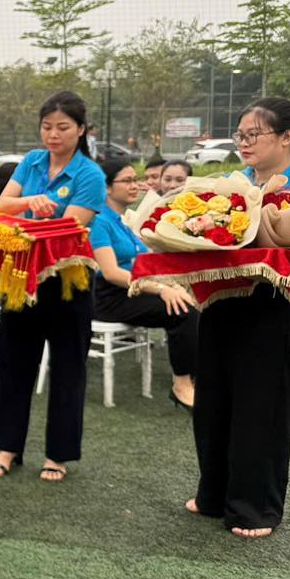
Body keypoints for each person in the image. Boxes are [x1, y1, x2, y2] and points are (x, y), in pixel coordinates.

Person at [187, 98, 290, 538]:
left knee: (263, 407)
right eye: (240, 135)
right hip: (221, 302)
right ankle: (213, 494)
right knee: (213, 401)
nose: (244, 143)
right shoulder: (231, 186)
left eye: (253, 134)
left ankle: (255, 507)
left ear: (286, 137)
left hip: (274, 309)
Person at [0, 92, 106, 483]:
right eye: (47, 127)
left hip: (68, 280)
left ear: (81, 130)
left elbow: (69, 228)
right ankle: (8, 447)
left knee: (68, 367)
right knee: (13, 362)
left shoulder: (89, 174)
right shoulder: (32, 161)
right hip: (22, 275)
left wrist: (30, 211)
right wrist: (31, 201)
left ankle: (58, 454)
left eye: (63, 127)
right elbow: (2, 205)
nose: (53, 135)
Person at [89, 158, 199, 410]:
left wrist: (172, 284)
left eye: (134, 179)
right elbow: (111, 273)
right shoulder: (99, 222)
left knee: (193, 300)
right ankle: (181, 385)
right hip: (110, 298)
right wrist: (160, 289)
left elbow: (146, 263)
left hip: (132, 291)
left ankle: (197, 377)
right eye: (127, 181)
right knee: (182, 311)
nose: (135, 185)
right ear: (107, 187)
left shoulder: (121, 222)